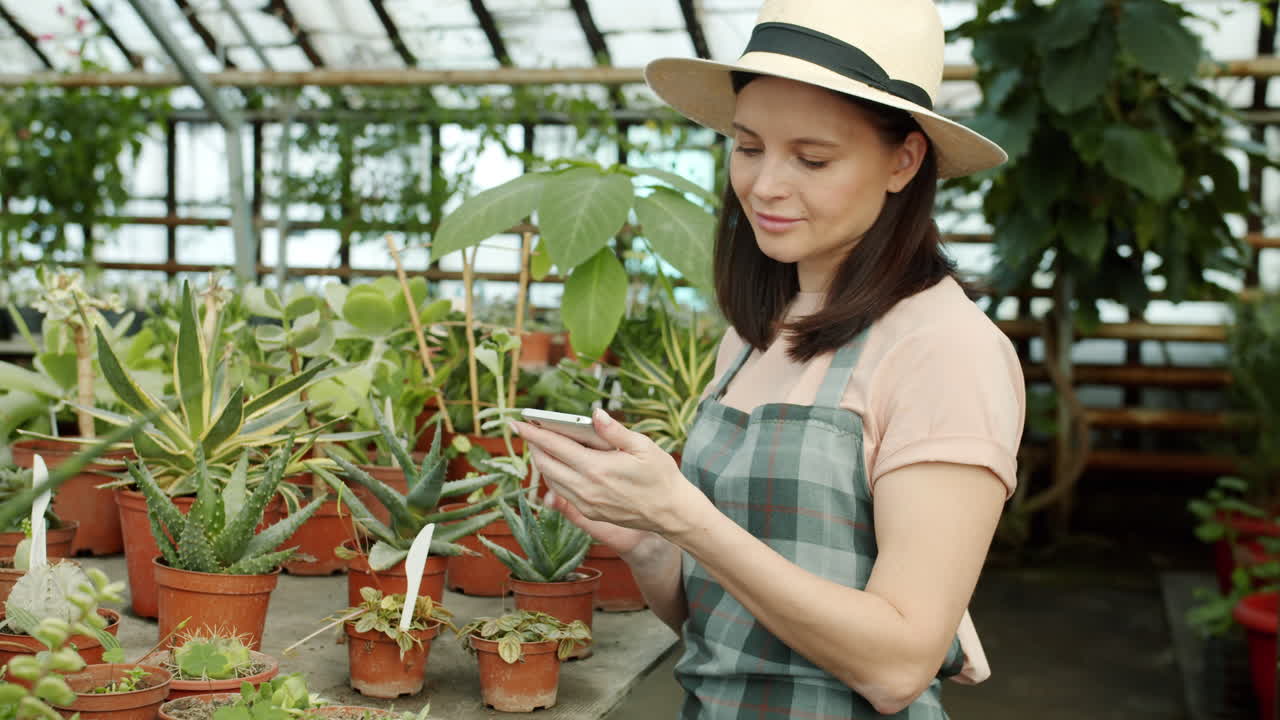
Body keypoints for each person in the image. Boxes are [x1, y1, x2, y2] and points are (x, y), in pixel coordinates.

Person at [510, 0, 1025, 717]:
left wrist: (686, 518)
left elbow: (898, 666)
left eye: (812, 158)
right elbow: (721, 628)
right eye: (748, 147)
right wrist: (649, 542)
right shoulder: (757, 330)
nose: (765, 185)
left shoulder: (946, 351)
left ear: (904, 160)